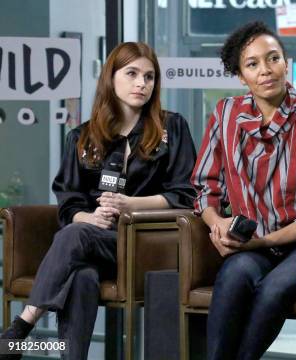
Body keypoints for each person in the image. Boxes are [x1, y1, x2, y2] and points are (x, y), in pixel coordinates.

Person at [0, 42, 197, 360]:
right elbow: (69, 202)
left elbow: (186, 195)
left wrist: (131, 205)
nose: (141, 84)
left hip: (149, 243)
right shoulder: (81, 137)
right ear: (111, 78)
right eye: (132, 74)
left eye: (149, 77)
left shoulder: (172, 128)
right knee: (82, 276)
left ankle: (20, 328)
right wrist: (88, 218)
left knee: (75, 236)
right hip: (96, 241)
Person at [191, 21, 296, 360]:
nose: (265, 70)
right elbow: (206, 185)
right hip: (249, 244)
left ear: (286, 64)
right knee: (233, 279)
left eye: (273, 58)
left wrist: (262, 240)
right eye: (253, 64)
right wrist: (216, 222)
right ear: (240, 75)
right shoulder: (225, 114)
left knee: (274, 290)